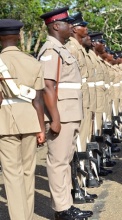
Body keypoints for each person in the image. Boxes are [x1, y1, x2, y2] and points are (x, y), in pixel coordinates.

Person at [38, 7, 93, 219]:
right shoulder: (50, 50)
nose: (71, 26)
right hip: (61, 115)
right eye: (67, 23)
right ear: (55, 26)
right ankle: (61, 209)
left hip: (70, 113)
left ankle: (67, 206)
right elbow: (48, 87)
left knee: (65, 160)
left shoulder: (60, 49)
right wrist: (55, 119)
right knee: (58, 162)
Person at [0, 19, 45, 220]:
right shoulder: (32, 62)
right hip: (30, 119)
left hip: (4, 121)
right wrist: (41, 127)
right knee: (28, 171)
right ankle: (26, 216)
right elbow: (38, 99)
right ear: (18, 36)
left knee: (12, 174)